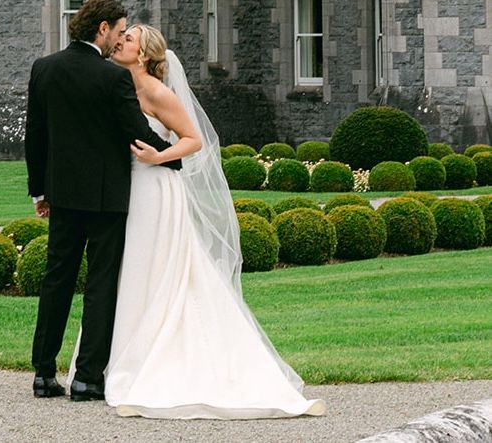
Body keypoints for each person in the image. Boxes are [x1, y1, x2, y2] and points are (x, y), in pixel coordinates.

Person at [79, 23, 326, 419]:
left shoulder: (159, 92)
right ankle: (117, 355)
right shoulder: (117, 87)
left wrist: (157, 157)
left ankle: (157, 356)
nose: (119, 41)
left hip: (156, 188)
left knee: (155, 266)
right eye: (121, 37)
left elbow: (193, 140)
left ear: (143, 55)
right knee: (129, 271)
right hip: (126, 190)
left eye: (128, 39)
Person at [24, 0, 182, 402]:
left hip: (61, 195)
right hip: (106, 197)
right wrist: (170, 161)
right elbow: (136, 132)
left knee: (56, 280)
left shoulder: (44, 69)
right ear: (102, 28)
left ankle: (43, 373)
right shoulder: (112, 78)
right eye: (119, 29)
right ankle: (88, 378)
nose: (119, 39)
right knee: (100, 284)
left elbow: (35, 139)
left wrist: (41, 191)